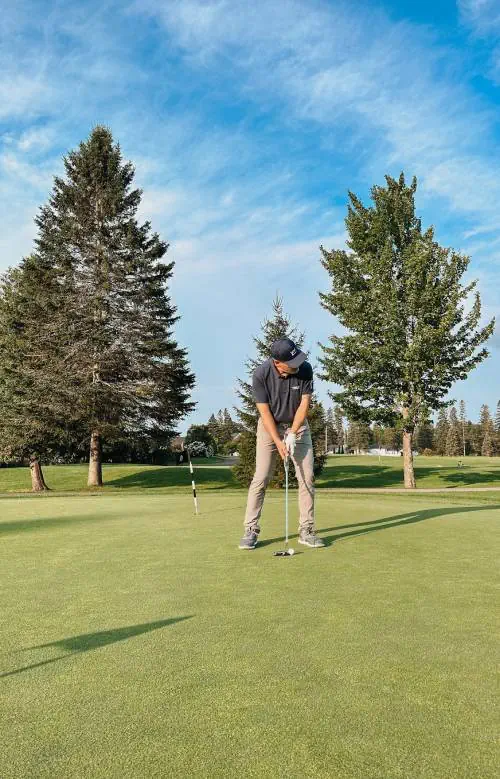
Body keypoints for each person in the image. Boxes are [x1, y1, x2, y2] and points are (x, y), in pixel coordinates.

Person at [239, 337, 325, 550]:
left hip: (298, 425)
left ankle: (306, 529)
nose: (297, 364)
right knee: (261, 476)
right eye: (292, 362)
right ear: (278, 362)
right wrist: (278, 440)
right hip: (270, 427)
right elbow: (264, 412)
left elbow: (305, 404)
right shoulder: (261, 374)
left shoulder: (305, 369)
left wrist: (293, 433)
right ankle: (251, 529)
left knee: (307, 477)